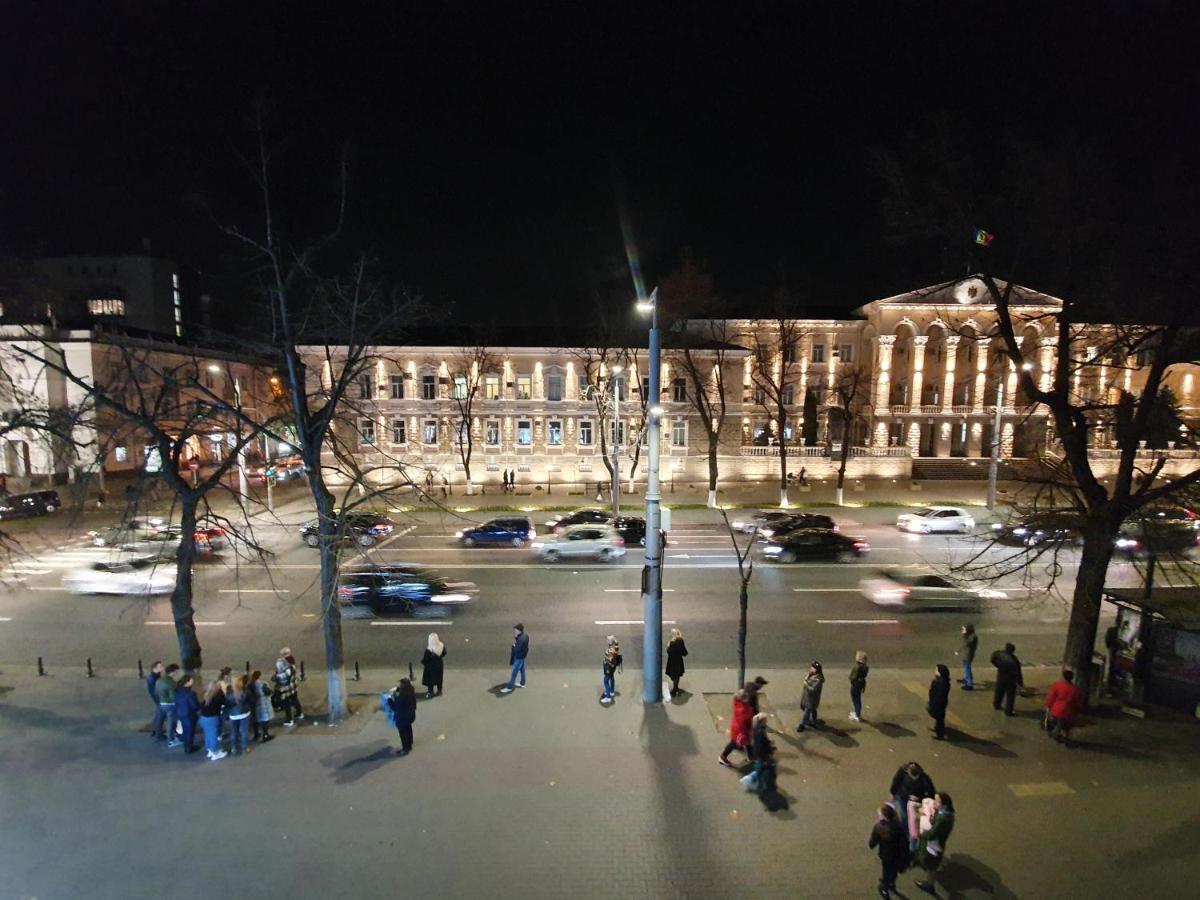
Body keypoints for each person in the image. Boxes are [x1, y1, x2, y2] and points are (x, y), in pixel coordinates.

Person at [914, 793, 955, 895]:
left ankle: (930, 885)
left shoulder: (942, 819)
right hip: (939, 842)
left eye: (937, 801)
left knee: (931, 864)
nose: (934, 803)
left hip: (934, 844)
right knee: (930, 860)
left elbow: (932, 834)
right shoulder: (947, 813)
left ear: (944, 804)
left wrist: (920, 834)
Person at [868, 802, 908, 898]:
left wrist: (872, 845)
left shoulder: (880, 827)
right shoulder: (898, 826)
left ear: (884, 816)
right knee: (894, 870)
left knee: (886, 870)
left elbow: (873, 841)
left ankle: (884, 887)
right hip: (897, 854)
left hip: (886, 854)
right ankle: (892, 883)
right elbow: (905, 842)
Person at [889, 761, 936, 842]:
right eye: (912, 777)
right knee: (904, 815)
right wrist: (893, 793)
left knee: (915, 818)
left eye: (916, 777)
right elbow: (896, 781)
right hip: (903, 797)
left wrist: (920, 798)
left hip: (916, 801)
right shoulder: (902, 771)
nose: (914, 779)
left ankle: (913, 832)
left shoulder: (925, 778)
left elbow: (931, 793)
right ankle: (904, 833)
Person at [718, 686, 756, 767]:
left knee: (744, 742)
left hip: (735, 728)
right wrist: (748, 733)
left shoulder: (737, 702)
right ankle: (723, 757)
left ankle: (751, 755)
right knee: (734, 743)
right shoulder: (744, 711)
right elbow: (744, 724)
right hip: (740, 732)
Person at [1044, 669, 1084, 746]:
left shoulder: (1057, 685)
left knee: (1057, 723)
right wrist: (1077, 711)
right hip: (1068, 711)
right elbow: (1077, 702)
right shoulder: (1075, 689)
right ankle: (1065, 736)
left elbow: (1051, 697)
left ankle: (1057, 733)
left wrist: (1048, 706)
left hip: (1056, 709)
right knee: (1066, 726)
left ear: (1063, 677)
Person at [990, 642, 1024, 716]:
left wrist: (998, 666)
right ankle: (1008, 711)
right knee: (1010, 697)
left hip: (1001, 676)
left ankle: (996, 704)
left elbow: (992, 659)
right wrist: (1020, 682)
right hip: (1010, 680)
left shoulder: (998, 654)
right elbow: (1018, 672)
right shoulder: (1014, 660)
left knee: (999, 691)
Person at [272, 649, 304, 726]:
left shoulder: (282, 673)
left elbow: (275, 678)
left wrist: (275, 676)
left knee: (286, 704)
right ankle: (299, 713)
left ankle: (289, 720)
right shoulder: (291, 666)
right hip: (293, 687)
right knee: (295, 700)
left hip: (285, 690)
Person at [199, 678, 228, 761]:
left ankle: (209, 750)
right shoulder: (219, 696)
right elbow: (225, 702)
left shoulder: (206, 694)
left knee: (207, 734)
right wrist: (224, 689)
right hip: (212, 718)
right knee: (213, 735)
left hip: (203, 717)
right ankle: (215, 753)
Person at [387, 678, 417, 755]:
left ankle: (405, 749)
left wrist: (389, 699)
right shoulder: (411, 690)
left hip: (402, 717)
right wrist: (397, 689)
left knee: (403, 733)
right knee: (408, 728)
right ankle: (410, 744)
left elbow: (395, 707)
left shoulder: (401, 697)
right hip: (410, 715)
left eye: (401, 684)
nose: (399, 685)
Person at [224, 675, 252, 755]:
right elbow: (249, 700)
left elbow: (227, 703)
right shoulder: (245, 690)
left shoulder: (229, 691)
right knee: (244, 731)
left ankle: (234, 748)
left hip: (233, 714)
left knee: (233, 732)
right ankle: (245, 748)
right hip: (244, 713)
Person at [749, 712, 777, 794]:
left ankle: (757, 779)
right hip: (762, 754)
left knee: (762, 767)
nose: (767, 722)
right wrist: (769, 748)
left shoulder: (757, 728)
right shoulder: (760, 731)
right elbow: (762, 745)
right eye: (765, 720)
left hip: (759, 753)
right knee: (763, 769)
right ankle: (759, 784)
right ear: (761, 722)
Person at [153, 664, 180, 746]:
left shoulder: (159, 680)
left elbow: (156, 692)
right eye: (175, 672)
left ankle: (158, 735)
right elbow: (173, 697)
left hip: (161, 703)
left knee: (159, 720)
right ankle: (171, 740)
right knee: (170, 722)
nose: (176, 673)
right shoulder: (172, 683)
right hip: (170, 705)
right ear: (172, 672)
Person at [174, 674, 200, 754]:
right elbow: (194, 705)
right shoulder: (190, 693)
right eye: (191, 681)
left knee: (185, 730)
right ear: (187, 682)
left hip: (181, 713)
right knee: (190, 732)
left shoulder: (178, 690)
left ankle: (186, 745)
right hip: (189, 714)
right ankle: (188, 748)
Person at [500, 624, 529, 693]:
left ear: (519, 630)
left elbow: (517, 649)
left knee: (514, 673)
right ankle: (522, 684)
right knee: (522, 671)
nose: (514, 631)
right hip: (522, 656)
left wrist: (513, 646)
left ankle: (509, 687)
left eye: (515, 630)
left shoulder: (521, 639)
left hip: (519, 657)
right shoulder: (525, 636)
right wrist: (516, 638)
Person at [248, 669, 274, 743]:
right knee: (264, 720)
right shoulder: (262, 684)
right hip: (263, 704)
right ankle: (265, 735)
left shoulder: (249, 685)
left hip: (253, 705)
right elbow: (268, 692)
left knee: (255, 719)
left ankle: (256, 734)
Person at [797, 661, 825, 732]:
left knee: (807, 711)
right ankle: (814, 721)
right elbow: (806, 679)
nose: (811, 668)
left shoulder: (818, 679)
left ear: (816, 670)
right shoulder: (811, 674)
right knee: (812, 709)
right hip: (807, 697)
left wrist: (806, 684)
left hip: (812, 698)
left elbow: (813, 689)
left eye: (813, 667)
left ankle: (802, 724)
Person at [928, 664, 951, 740]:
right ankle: (938, 729)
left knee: (939, 718)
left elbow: (935, 692)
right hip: (941, 703)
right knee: (940, 718)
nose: (935, 672)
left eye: (936, 670)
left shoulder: (939, 682)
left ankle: (940, 734)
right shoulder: (945, 681)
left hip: (937, 703)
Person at [422, 632, 447, 698]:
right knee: (439, 678)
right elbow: (444, 653)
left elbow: (425, 660)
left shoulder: (429, 650)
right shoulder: (441, 645)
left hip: (431, 667)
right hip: (439, 665)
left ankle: (430, 691)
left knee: (430, 680)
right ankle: (439, 690)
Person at [665, 628, 688, 696]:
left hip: (672, 661)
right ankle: (676, 687)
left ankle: (674, 689)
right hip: (679, 660)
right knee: (677, 675)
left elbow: (669, 652)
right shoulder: (681, 640)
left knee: (673, 675)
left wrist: (668, 646)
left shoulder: (672, 643)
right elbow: (684, 652)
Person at [601, 636, 623, 703]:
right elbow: (616, 647)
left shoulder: (611, 656)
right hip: (612, 669)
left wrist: (606, 661)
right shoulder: (615, 652)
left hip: (609, 669)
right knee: (612, 678)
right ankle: (612, 691)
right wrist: (614, 641)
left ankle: (608, 697)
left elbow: (610, 661)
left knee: (605, 681)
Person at [849, 650, 869, 721]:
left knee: (855, 699)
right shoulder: (865, 667)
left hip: (855, 685)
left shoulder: (856, 667)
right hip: (860, 685)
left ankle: (857, 715)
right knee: (858, 699)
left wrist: (851, 679)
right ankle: (857, 713)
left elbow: (853, 677)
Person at [145, 661, 163, 737]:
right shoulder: (153, 678)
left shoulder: (156, 675)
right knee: (160, 715)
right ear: (155, 668)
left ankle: (155, 730)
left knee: (158, 714)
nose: (162, 668)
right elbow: (155, 690)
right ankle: (157, 733)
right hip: (158, 698)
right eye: (160, 667)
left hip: (157, 698)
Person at [958, 624, 978, 690]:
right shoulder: (970, 636)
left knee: (967, 668)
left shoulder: (972, 637)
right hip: (966, 654)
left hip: (968, 655)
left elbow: (967, 643)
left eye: (964, 629)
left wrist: (964, 636)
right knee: (966, 667)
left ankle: (969, 683)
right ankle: (966, 678)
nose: (962, 631)